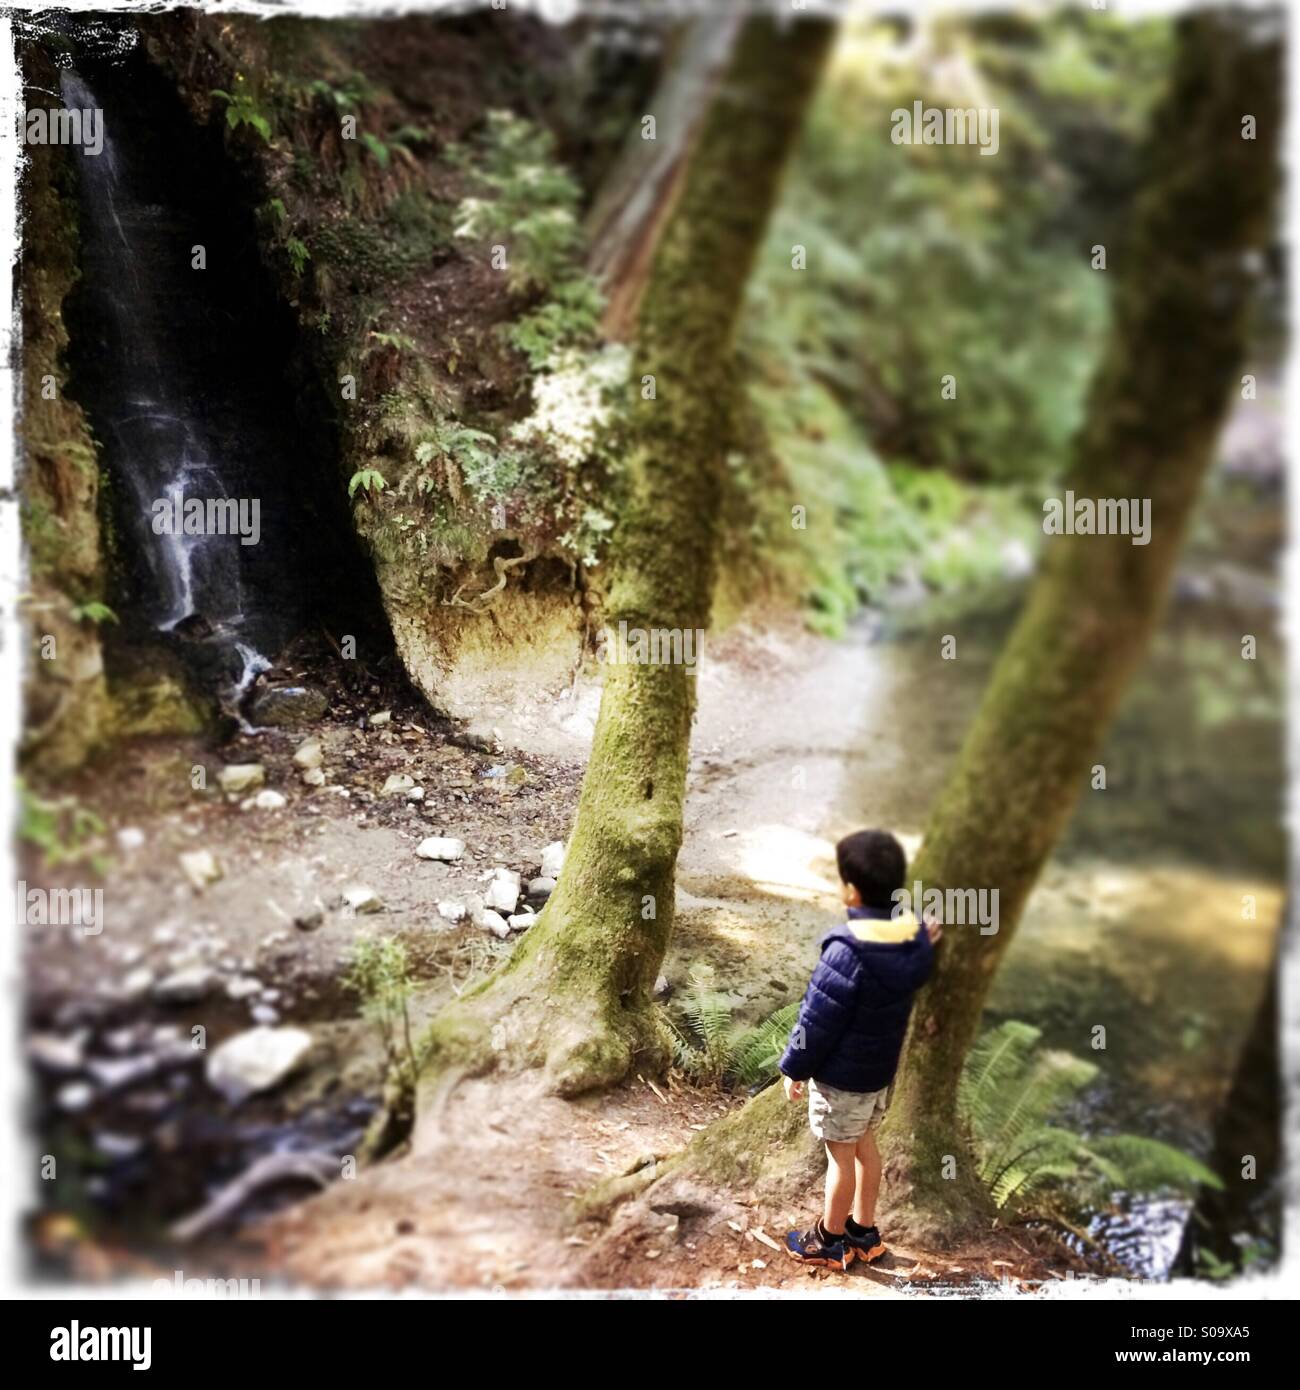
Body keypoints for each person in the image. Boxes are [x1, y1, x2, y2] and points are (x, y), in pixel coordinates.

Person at [780, 828, 940, 1269]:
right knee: (866, 1148)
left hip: (842, 1081)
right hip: (877, 1077)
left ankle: (830, 1239)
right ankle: (864, 1232)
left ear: (851, 891)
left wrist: (794, 1067)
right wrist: (925, 937)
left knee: (840, 1158)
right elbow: (923, 961)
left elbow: (817, 1021)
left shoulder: (846, 951)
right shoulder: (910, 940)